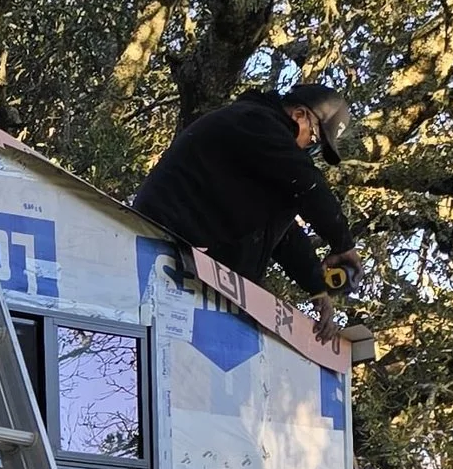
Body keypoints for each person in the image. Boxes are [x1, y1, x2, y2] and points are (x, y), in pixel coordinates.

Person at [134, 81, 359, 305]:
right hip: (157, 245)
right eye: (314, 142)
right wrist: (344, 245)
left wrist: (317, 287)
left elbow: (281, 231)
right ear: (299, 115)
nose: (308, 151)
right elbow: (307, 185)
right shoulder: (256, 121)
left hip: (179, 261)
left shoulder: (263, 147)